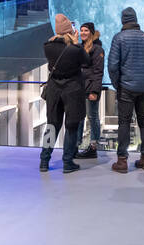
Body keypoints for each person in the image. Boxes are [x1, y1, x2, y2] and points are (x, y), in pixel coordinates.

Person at [107, 6, 144, 173]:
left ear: (123, 21)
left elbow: (112, 66)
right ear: (136, 20)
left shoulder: (119, 38)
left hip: (126, 87)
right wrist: (143, 73)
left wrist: (117, 84)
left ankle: (122, 161)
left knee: (124, 122)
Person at [39, 13, 89, 174]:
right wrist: (77, 42)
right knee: (71, 126)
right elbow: (86, 61)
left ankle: (44, 161)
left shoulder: (47, 46)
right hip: (72, 89)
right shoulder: (74, 49)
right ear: (69, 30)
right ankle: (67, 162)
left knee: (51, 126)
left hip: (54, 89)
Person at [75, 21, 105, 159]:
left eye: (86, 30)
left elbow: (98, 72)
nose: (83, 33)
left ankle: (93, 147)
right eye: (81, 30)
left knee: (93, 116)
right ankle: (76, 144)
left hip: (91, 88)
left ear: (91, 32)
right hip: (80, 87)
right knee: (79, 116)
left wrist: (94, 91)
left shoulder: (97, 49)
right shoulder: (80, 47)